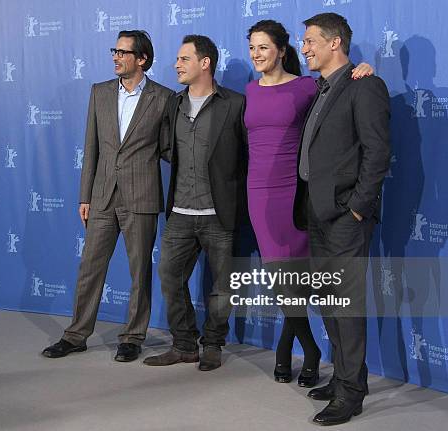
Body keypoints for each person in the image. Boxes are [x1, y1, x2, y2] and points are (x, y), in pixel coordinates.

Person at [244, 20, 373, 388]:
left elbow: (341, 94)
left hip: (298, 195)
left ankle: (306, 355)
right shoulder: (249, 91)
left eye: (264, 47)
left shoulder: (306, 87)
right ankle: (308, 350)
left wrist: (365, 69)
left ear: (281, 51)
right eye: (252, 47)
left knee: (301, 283)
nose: (257, 54)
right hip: (260, 194)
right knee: (283, 281)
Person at [42, 30, 173, 362]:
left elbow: (171, 148)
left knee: (140, 270)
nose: (116, 56)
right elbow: (92, 148)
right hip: (101, 196)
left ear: (142, 59)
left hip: (141, 196)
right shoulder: (99, 92)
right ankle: (76, 334)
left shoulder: (165, 98)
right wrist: (84, 195)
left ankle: (132, 336)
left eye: (123, 52)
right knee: (90, 267)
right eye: (114, 50)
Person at [293, 13, 390, 425]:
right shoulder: (322, 88)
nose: (304, 48)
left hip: (345, 216)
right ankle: (350, 377)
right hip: (317, 212)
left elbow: (377, 152)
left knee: (345, 305)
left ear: (335, 43)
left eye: (311, 40)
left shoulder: (364, 85)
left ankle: (350, 394)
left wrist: (358, 207)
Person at [143, 35, 248, 371]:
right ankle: (185, 344)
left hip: (219, 214)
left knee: (222, 285)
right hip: (180, 213)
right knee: (169, 276)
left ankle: (214, 343)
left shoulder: (234, 103)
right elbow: (164, 147)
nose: (177, 64)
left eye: (184, 59)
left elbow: (247, 156)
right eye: (177, 59)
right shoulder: (173, 104)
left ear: (205, 63)